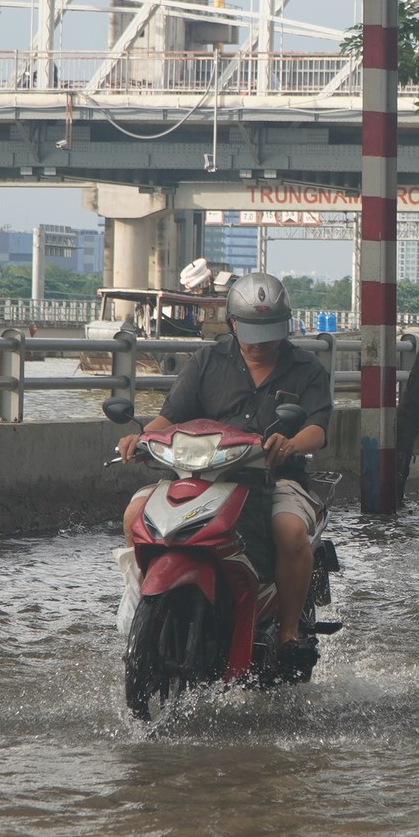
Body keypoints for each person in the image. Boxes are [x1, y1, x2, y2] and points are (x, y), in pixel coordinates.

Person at [116, 272, 332, 664]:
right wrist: (141, 438)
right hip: (202, 475)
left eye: (271, 330)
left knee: (289, 530)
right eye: (253, 330)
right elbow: (171, 416)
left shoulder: (308, 368)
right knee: (135, 514)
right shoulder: (206, 362)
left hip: (276, 476)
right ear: (233, 324)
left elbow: (317, 428)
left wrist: (289, 445)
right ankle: (138, 608)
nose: (262, 341)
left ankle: (287, 632)